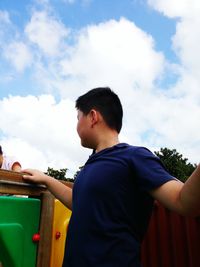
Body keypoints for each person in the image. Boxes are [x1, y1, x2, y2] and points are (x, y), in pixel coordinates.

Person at [22, 87, 200, 267]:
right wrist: (46, 179)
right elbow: (79, 202)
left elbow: (183, 201)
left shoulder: (134, 156)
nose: (76, 125)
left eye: (78, 118)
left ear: (92, 116)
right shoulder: (90, 165)